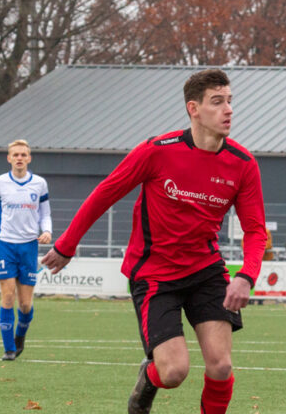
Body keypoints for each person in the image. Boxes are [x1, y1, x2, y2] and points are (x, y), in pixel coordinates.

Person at [40, 69, 267, 414]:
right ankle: (147, 381)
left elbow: (254, 230)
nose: (228, 110)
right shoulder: (157, 151)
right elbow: (105, 193)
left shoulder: (243, 164)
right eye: (217, 102)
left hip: (205, 270)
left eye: (230, 101)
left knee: (220, 366)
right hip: (155, 274)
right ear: (194, 108)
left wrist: (246, 275)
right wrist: (67, 245)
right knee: (174, 371)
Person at [0, 139, 52, 361]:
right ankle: (9, 348)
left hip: (29, 245)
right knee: (7, 295)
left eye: (23, 155)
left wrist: (47, 231)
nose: (19, 158)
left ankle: (20, 335)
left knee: (26, 304)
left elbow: (45, 213)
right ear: (9, 158)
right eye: (15, 155)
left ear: (29, 158)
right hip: (5, 244)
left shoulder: (39, 184)